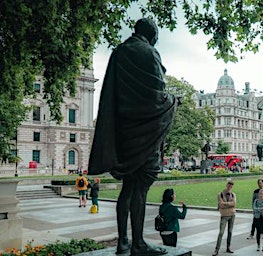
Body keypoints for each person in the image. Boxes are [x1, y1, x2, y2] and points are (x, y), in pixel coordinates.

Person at [88, 17, 180, 255]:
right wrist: (172, 102)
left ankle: (123, 241)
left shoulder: (119, 52)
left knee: (127, 188)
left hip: (124, 131)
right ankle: (138, 243)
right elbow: (156, 95)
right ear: (152, 35)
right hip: (145, 132)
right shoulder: (150, 53)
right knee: (139, 188)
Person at [213, 180, 237, 256]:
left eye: (231, 186)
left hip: (232, 215)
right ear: (226, 185)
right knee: (221, 233)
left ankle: (228, 247)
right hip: (224, 215)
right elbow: (221, 205)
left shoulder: (233, 194)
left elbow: (234, 204)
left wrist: (225, 204)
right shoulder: (220, 194)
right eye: (229, 185)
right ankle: (216, 250)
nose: (230, 187)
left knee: (230, 232)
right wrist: (230, 204)